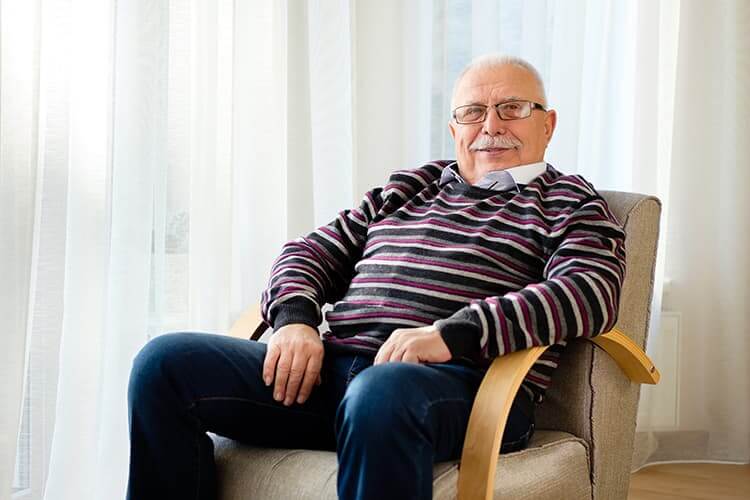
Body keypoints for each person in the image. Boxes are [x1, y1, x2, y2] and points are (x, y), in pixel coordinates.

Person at [127, 54, 626, 500]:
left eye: (512, 108)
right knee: (164, 365)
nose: (490, 125)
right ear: (455, 130)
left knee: (380, 393)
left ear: (548, 124)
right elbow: (310, 250)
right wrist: (295, 320)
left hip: (458, 386)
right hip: (333, 375)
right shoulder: (409, 187)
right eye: (472, 112)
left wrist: (452, 334)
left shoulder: (571, 202)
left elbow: (587, 292)